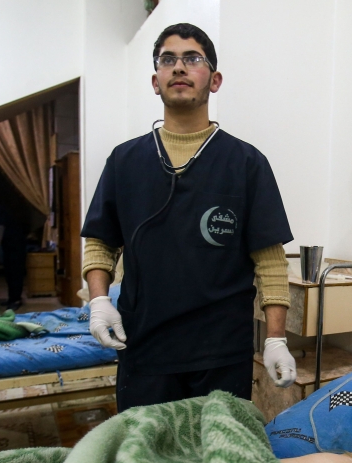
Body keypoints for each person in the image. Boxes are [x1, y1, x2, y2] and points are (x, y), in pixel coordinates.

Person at [80, 23, 297, 409]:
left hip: (221, 352)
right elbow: (101, 241)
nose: (179, 68)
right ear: (155, 80)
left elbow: (270, 261)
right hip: (144, 345)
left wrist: (275, 339)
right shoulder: (125, 161)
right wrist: (99, 301)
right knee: (144, 459)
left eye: (192, 59)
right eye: (168, 60)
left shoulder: (247, 163)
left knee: (215, 458)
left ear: (214, 80)